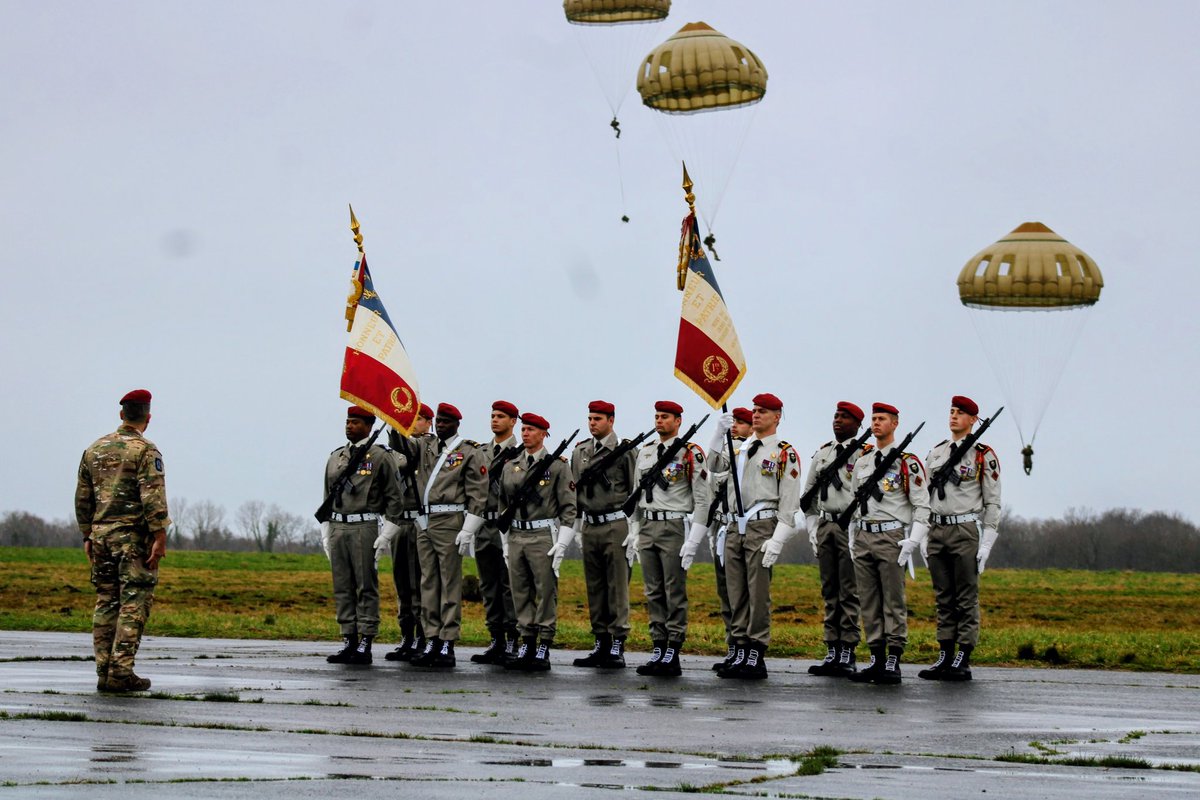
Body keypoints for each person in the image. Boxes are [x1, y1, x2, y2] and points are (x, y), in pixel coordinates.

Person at [75, 389, 171, 693]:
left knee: (106, 602)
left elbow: (83, 497)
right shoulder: (145, 451)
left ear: (121, 415)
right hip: (132, 539)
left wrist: (87, 534)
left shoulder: (93, 449)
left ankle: (104, 671)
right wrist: (160, 536)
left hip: (102, 537)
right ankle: (121, 672)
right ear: (148, 417)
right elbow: (152, 497)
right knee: (133, 603)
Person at [707, 393, 802, 680]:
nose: (756, 415)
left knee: (757, 594)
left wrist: (778, 539)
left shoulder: (784, 452)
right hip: (736, 527)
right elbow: (713, 466)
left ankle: (755, 652)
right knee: (736, 593)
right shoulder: (740, 449)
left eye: (763, 412)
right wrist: (717, 433)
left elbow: (789, 501)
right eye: (755, 411)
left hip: (762, 526)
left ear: (777, 417)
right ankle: (739, 646)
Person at [911, 395, 1001, 681]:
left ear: (973, 420)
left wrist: (986, 542)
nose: (954, 417)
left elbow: (993, 502)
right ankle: (945, 653)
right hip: (936, 529)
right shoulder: (936, 453)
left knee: (965, 596)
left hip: (964, 530)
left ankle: (963, 655)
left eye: (960, 413)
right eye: (951, 412)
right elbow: (923, 498)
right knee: (943, 597)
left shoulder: (982, 455)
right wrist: (922, 535)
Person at [848, 402, 930, 685]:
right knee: (868, 600)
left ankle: (893, 658)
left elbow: (922, 505)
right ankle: (876, 657)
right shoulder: (863, 462)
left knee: (892, 600)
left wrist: (914, 540)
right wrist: (853, 536)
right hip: (863, 535)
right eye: (873, 419)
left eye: (882, 419)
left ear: (895, 423)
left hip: (891, 536)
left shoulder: (907, 462)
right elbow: (854, 502)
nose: (876, 423)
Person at [627, 401, 710, 677]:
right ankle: (658, 645)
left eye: (665, 417)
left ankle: (673, 648)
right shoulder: (647, 452)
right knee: (652, 591)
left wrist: (694, 538)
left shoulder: (690, 453)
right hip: (649, 524)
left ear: (678, 421)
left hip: (674, 525)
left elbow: (701, 498)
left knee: (674, 590)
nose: (659, 421)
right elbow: (636, 494)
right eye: (657, 416)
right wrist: (635, 529)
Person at [321, 405, 404, 666]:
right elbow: (326, 497)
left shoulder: (380, 457)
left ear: (369, 426)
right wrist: (325, 532)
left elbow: (395, 499)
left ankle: (366, 640)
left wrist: (387, 534)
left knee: (365, 585)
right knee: (342, 586)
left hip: (364, 525)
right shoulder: (336, 456)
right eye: (348, 421)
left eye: (356, 422)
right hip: (338, 526)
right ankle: (349, 639)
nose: (349, 426)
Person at [410, 402, 488, 669]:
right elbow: (400, 442)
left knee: (449, 581)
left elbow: (479, 492)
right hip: (426, 520)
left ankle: (447, 640)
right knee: (428, 582)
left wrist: (469, 529)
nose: (440, 425)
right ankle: (431, 637)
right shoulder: (424, 446)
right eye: (438, 421)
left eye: (445, 422)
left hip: (451, 518)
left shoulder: (468, 451)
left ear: (456, 424)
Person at [498, 412, 577, 671]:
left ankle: (544, 641)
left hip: (542, 535)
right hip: (517, 535)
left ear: (543, 434)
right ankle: (527, 640)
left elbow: (568, 507)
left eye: (531, 430)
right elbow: (503, 506)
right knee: (519, 591)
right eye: (524, 429)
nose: (525, 434)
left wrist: (563, 542)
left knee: (545, 591)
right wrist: (506, 541)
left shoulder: (557, 466)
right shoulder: (511, 465)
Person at [799, 401, 872, 677]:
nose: (838, 420)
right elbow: (808, 497)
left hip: (851, 527)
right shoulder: (823, 453)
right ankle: (832, 646)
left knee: (849, 590)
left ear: (857, 424)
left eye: (845, 417)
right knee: (830, 590)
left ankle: (848, 649)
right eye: (836, 416)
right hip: (826, 525)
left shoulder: (865, 453)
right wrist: (812, 528)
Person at [567, 401, 638, 669]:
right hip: (590, 525)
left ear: (611, 420)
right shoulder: (580, 451)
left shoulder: (625, 451)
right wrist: (574, 527)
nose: (592, 423)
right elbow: (573, 491)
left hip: (615, 523)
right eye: (590, 418)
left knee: (617, 585)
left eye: (598, 418)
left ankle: (617, 642)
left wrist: (634, 528)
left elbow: (635, 489)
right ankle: (601, 641)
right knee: (595, 586)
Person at [381, 403, 435, 661]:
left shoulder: (430, 448)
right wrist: (393, 421)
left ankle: (424, 635)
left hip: (420, 522)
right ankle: (406, 635)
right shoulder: (399, 449)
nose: (414, 424)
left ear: (429, 422)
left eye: (419, 420)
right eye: (409, 420)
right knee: (401, 581)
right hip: (399, 522)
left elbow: (406, 456)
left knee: (419, 583)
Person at [471, 400, 523, 665]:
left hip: (507, 526)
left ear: (513, 421)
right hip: (483, 525)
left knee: (508, 585)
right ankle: (496, 637)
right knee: (488, 584)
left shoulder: (522, 451)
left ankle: (513, 638)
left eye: (501, 416)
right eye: (492, 415)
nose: (495, 420)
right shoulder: (480, 452)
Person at [705, 406, 751, 672]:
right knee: (725, 593)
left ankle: (747, 646)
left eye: (742, 423)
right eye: (734, 423)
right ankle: (732, 644)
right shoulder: (725, 454)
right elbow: (711, 469)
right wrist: (717, 433)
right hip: (720, 527)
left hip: (741, 529)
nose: (736, 427)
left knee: (743, 592)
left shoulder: (749, 454)